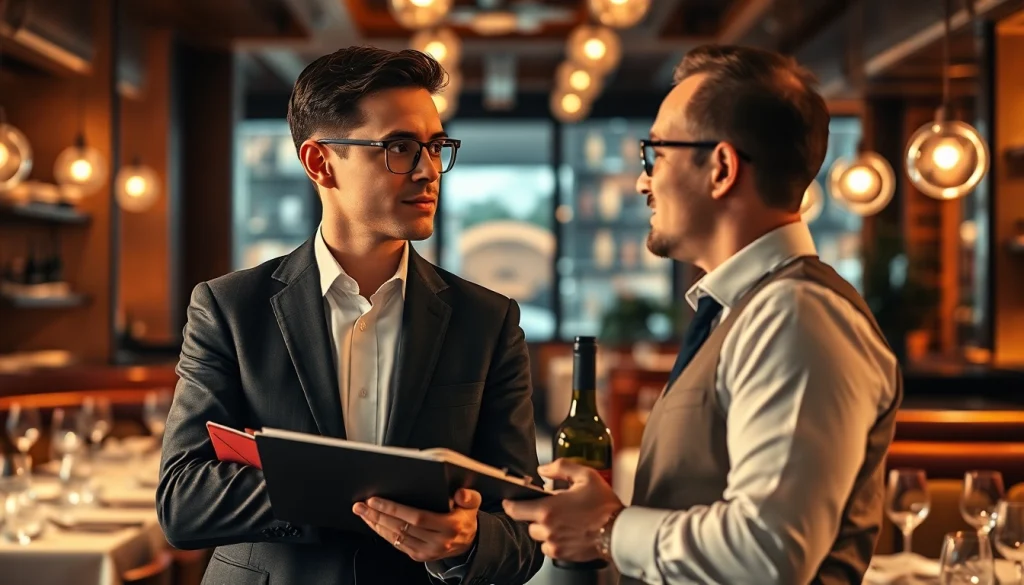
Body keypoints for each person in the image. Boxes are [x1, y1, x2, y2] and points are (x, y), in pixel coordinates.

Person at [504, 44, 902, 585]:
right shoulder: (743, 308)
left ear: (720, 168)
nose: (642, 181)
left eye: (655, 153)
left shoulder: (794, 314)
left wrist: (608, 529)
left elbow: (769, 553)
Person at [156, 46, 544, 585]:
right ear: (320, 162)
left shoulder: (488, 320)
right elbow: (183, 501)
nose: (429, 171)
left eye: (436, 147)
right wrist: (355, 489)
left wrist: (467, 540)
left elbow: (526, 530)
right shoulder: (229, 308)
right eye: (400, 147)